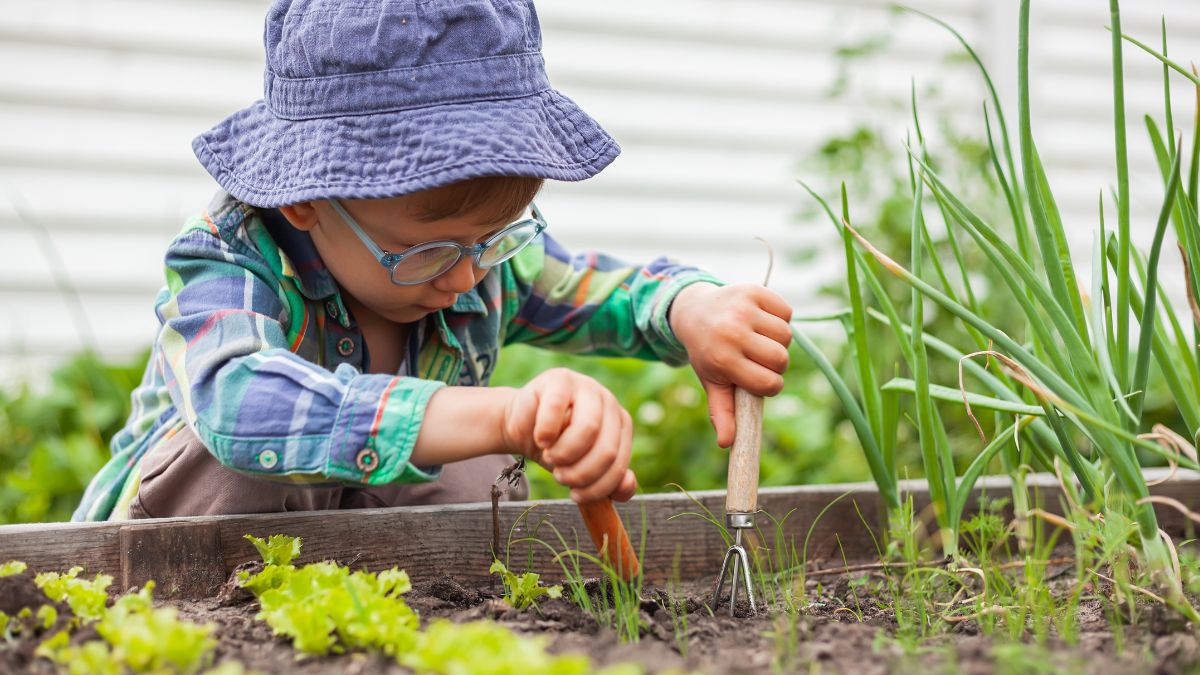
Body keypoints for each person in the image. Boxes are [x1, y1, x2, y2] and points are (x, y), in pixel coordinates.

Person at [73, 0, 793, 522]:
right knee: (231, 455)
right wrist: (502, 412)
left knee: (474, 467)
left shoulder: (476, 262)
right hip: (173, 574)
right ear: (306, 200)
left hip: (373, 578)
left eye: (495, 237)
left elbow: (597, 290)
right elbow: (238, 401)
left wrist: (687, 307)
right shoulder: (232, 258)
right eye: (427, 252)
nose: (465, 276)